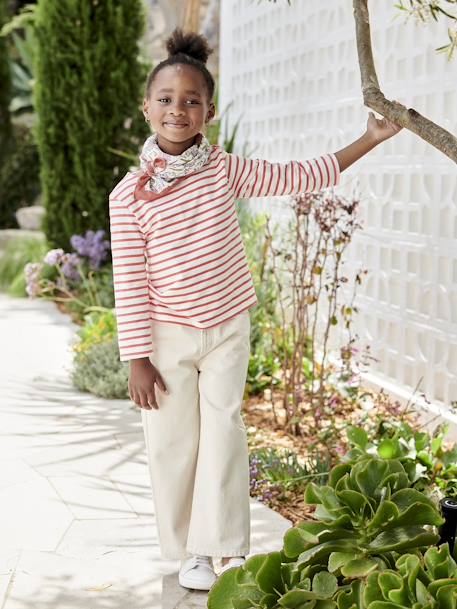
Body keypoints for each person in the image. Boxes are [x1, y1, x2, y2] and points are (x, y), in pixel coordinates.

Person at [108, 27, 402, 592]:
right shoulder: (129, 195)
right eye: (166, 100)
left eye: (191, 100)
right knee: (173, 443)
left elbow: (298, 176)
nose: (178, 110)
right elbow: (130, 281)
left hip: (226, 329)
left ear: (210, 112)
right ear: (146, 108)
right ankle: (184, 546)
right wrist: (136, 357)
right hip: (166, 338)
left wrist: (370, 140)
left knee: (224, 433)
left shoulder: (226, 170)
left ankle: (217, 549)